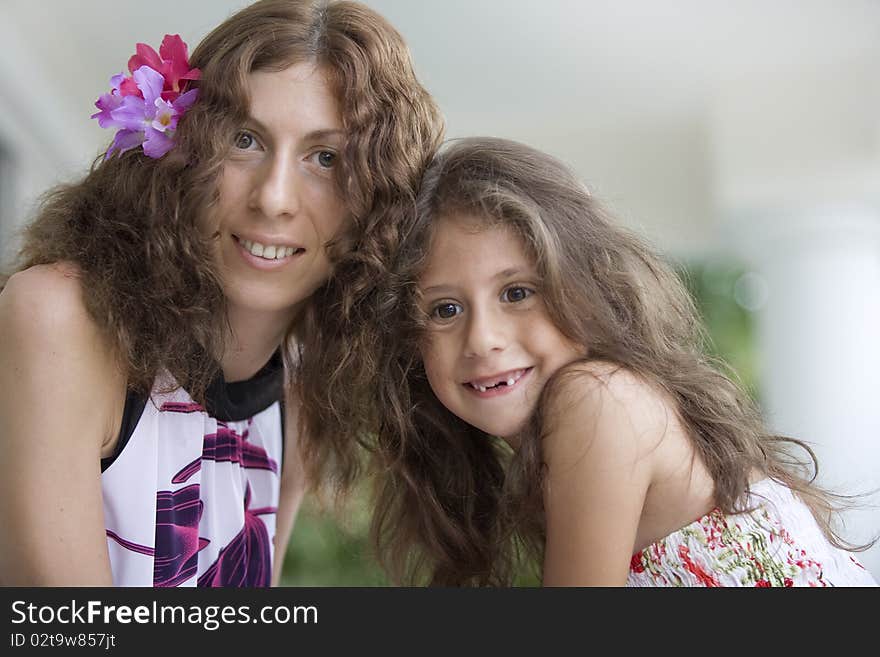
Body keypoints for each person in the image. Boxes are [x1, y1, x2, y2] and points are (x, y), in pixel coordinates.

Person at [0, 0, 443, 586]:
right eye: (245, 140)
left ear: (379, 206)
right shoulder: (61, 318)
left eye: (327, 158)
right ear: (185, 154)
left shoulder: (302, 383)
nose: (274, 198)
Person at [314, 136, 878, 586]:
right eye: (444, 309)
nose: (482, 339)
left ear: (586, 288)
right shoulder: (557, 447)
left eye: (517, 293)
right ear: (409, 343)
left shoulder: (596, 398)